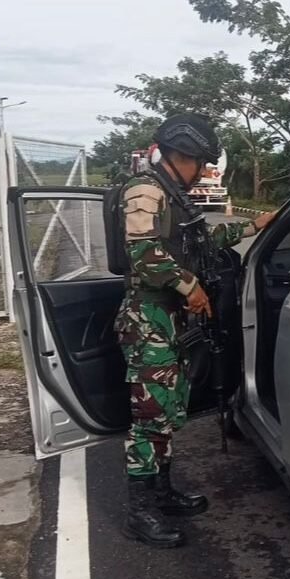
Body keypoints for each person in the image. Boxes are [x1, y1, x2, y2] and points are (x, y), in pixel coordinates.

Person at [117, 113, 277, 548]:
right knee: (148, 419)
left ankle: (162, 492)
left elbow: (201, 246)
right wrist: (192, 288)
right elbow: (144, 255)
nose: (204, 171)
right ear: (181, 155)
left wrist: (251, 227)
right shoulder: (145, 191)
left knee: (166, 412)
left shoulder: (176, 197)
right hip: (149, 320)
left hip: (171, 323)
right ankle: (140, 510)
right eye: (200, 163)